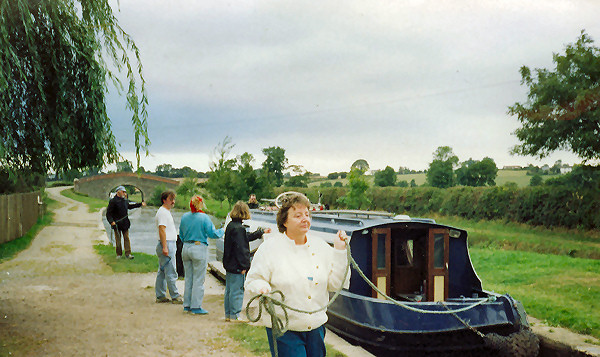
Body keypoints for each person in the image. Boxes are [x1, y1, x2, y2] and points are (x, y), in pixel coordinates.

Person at [245, 193, 350, 357]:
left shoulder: (321, 247)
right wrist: (262, 288)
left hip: (316, 329)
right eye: (298, 215)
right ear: (285, 221)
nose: (305, 219)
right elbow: (253, 280)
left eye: (307, 214)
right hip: (285, 328)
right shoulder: (269, 249)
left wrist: (339, 251)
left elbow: (336, 284)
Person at [223, 201, 271, 322]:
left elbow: (245, 237)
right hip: (237, 265)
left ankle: (229, 314)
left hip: (229, 264)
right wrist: (244, 265)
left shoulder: (231, 226)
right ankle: (235, 315)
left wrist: (260, 232)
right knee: (237, 290)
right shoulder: (239, 229)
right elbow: (241, 249)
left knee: (229, 290)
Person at [179, 195, 224, 314]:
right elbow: (213, 234)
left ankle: (187, 305)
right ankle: (196, 306)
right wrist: (223, 230)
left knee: (188, 278)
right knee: (198, 279)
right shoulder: (204, 217)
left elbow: (181, 234)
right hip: (198, 247)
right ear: (201, 204)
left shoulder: (184, 217)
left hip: (186, 247)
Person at [155, 190, 183, 304]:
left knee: (162, 271)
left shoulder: (165, 212)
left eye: (173, 199)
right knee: (171, 270)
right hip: (167, 243)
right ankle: (175, 295)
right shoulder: (162, 213)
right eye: (171, 199)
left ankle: (160, 295)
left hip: (168, 243)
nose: (173, 202)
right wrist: (165, 247)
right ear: (164, 200)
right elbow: (162, 229)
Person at [105, 185, 146, 259]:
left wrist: (140, 204)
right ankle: (119, 254)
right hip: (116, 224)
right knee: (118, 239)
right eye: (123, 192)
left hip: (125, 223)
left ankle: (128, 253)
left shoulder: (125, 200)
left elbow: (130, 206)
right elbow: (108, 214)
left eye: (125, 192)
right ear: (118, 192)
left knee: (126, 238)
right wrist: (111, 222)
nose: (124, 193)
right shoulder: (113, 201)